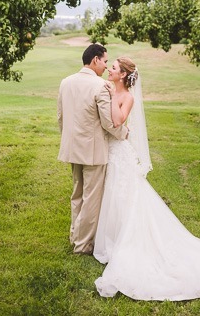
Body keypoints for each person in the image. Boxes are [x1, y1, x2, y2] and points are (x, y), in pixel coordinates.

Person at [93, 56, 200, 301]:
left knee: (125, 196)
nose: (109, 70)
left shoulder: (127, 97)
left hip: (120, 155)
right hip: (112, 152)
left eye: (113, 68)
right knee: (114, 195)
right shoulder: (111, 90)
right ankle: (113, 238)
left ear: (123, 75)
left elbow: (117, 121)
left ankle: (128, 244)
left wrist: (111, 94)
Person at [57, 43, 128, 255]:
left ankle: (74, 236)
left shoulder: (65, 82)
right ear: (95, 59)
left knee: (77, 195)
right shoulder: (100, 86)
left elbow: (61, 117)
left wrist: (69, 139)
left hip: (72, 148)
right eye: (105, 61)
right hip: (93, 151)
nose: (107, 67)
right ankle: (82, 246)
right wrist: (124, 134)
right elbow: (108, 123)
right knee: (91, 200)